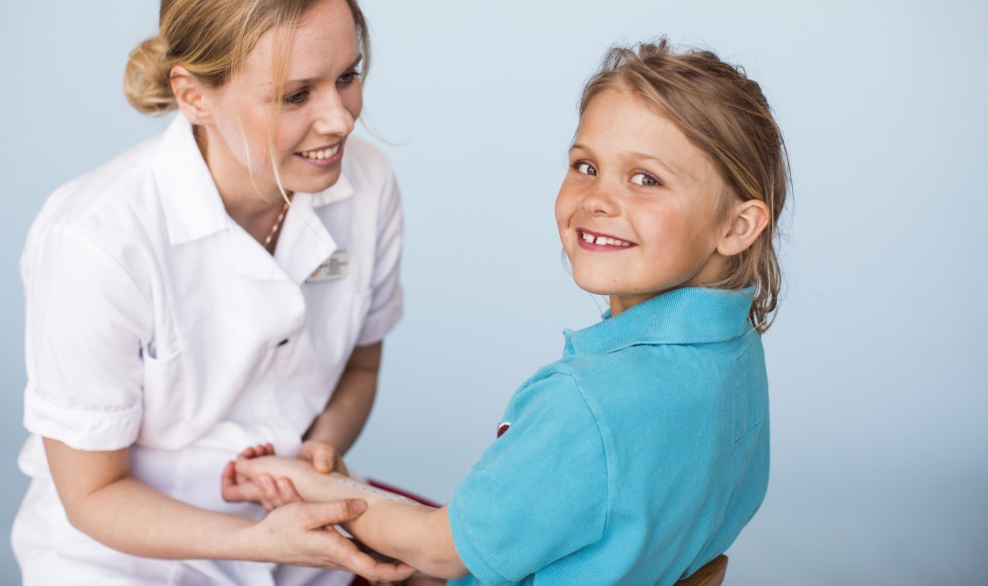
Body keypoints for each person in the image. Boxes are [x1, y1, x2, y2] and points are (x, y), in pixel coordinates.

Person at [223, 38, 791, 584]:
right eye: (586, 166)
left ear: (738, 226)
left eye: (646, 179)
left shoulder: (585, 404)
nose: (597, 199)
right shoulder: (735, 353)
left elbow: (438, 549)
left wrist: (307, 484)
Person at [11, 0, 413, 585]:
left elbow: (361, 367)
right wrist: (262, 540)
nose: (341, 119)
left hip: (300, 529)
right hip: (125, 558)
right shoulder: (94, 239)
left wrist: (318, 454)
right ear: (194, 96)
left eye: (348, 76)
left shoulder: (368, 185)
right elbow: (92, 493)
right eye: (296, 95)